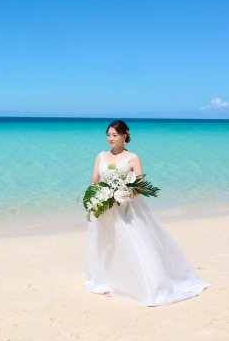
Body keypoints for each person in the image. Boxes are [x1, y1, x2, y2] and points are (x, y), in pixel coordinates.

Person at [85, 120, 210, 306]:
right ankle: (112, 281)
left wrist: (119, 196)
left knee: (134, 244)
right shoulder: (100, 156)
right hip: (105, 208)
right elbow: (94, 182)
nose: (110, 138)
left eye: (115, 135)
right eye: (108, 135)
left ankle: (141, 283)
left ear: (125, 135)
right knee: (109, 244)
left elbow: (140, 187)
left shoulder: (133, 158)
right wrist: (96, 199)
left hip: (126, 207)